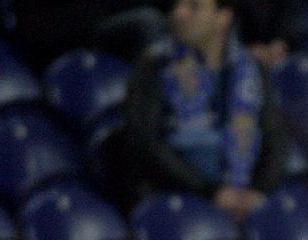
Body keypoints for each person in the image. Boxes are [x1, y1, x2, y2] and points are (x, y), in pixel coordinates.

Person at [123, 0, 288, 222]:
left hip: (245, 196)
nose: (179, 13)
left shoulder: (251, 68)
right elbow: (145, 143)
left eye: (193, 6)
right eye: (177, 4)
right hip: (178, 200)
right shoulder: (154, 65)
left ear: (223, 18)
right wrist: (211, 192)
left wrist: (258, 191)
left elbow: (275, 138)